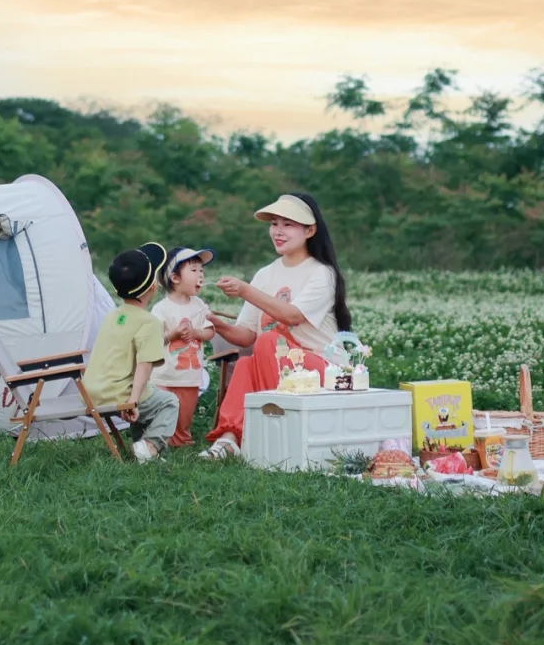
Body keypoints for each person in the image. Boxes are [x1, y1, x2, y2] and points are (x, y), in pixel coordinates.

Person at [199, 192, 350, 460]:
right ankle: (230, 438)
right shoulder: (265, 274)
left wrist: (245, 290)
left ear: (310, 230)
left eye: (287, 224)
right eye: (274, 224)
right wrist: (214, 322)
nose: (278, 232)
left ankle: (277, 433)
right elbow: (245, 336)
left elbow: (292, 316)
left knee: (269, 341)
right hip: (281, 365)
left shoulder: (322, 273)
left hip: (323, 371)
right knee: (246, 361)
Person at [83, 241, 179, 461]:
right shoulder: (149, 322)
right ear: (153, 287)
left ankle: (141, 448)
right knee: (168, 402)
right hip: (118, 394)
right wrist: (133, 401)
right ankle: (150, 446)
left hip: (93, 391)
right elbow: (144, 366)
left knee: (150, 394)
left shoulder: (112, 316)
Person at [150, 245, 216, 447]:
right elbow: (156, 339)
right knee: (164, 411)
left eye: (201, 270)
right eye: (194, 270)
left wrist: (196, 333)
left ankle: (182, 438)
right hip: (164, 374)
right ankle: (160, 439)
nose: (200, 275)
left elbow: (210, 330)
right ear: (175, 278)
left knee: (185, 412)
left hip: (189, 374)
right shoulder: (161, 308)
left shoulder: (199, 305)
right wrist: (175, 334)